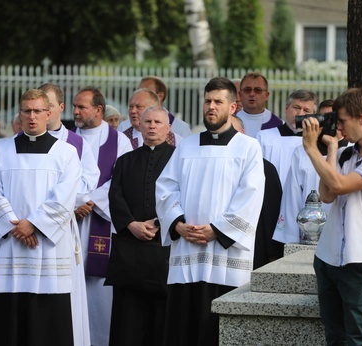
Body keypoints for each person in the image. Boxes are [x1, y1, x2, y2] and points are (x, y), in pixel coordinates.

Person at [155, 77, 265, 346]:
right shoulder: (187, 145)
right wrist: (177, 224)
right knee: (184, 329)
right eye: (207, 101)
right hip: (188, 251)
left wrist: (217, 230)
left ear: (233, 107)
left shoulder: (248, 147)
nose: (211, 107)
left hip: (225, 254)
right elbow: (166, 187)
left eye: (218, 101)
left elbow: (250, 196)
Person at [302, 88, 362, 345]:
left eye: (343, 120)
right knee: (334, 337)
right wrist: (332, 150)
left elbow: (339, 186)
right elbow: (326, 195)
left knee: (357, 339)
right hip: (327, 257)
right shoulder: (347, 153)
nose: (339, 126)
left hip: (357, 261)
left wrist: (311, 149)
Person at [0, 89, 82, 346]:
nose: (32, 116)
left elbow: (65, 196)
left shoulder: (66, 153)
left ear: (49, 114)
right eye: (26, 111)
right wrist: (18, 227)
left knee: (47, 319)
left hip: (47, 249)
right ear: (20, 113)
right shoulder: (1, 149)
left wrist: (34, 225)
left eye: (38, 111)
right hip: (12, 246)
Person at [106, 106, 174, 346]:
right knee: (127, 321)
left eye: (157, 122)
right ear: (140, 126)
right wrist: (130, 224)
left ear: (168, 128)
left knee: (162, 320)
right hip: (130, 252)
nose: (152, 126)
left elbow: (183, 197)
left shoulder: (179, 159)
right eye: (147, 122)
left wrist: (159, 222)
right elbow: (115, 196)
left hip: (163, 251)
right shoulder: (125, 161)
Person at [39, 82, 99, 346]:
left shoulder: (76, 142)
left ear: (59, 108)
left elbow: (88, 183)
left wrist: (60, 201)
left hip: (62, 228)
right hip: (28, 229)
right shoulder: (19, 142)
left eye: (48, 107)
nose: (42, 113)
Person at [72, 86, 132, 346]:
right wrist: (75, 201)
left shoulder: (120, 141)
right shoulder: (66, 139)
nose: (75, 111)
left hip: (101, 224)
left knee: (99, 294)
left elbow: (121, 180)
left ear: (98, 110)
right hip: (70, 223)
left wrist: (89, 201)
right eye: (74, 106)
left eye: (81, 107)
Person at [273, 99, 349, 245]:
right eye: (324, 119)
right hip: (309, 235)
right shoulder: (302, 153)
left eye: (333, 119)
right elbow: (292, 196)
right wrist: (292, 241)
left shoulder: (353, 151)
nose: (330, 125)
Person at [231, 114, 283, 267]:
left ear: (242, 134)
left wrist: (272, 252)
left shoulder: (265, 167)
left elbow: (271, 212)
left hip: (255, 246)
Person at [256, 89, 317, 184]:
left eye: (306, 110)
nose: (300, 114)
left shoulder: (317, 142)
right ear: (286, 108)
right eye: (296, 108)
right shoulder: (264, 137)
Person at [118, 75, 192, 137]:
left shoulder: (180, 129)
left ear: (160, 96)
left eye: (145, 90)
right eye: (138, 90)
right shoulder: (124, 126)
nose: (140, 94)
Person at [236, 71, 283, 137]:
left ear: (266, 95)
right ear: (240, 95)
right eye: (247, 90)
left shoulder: (280, 125)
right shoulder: (229, 122)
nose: (252, 94)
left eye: (258, 90)